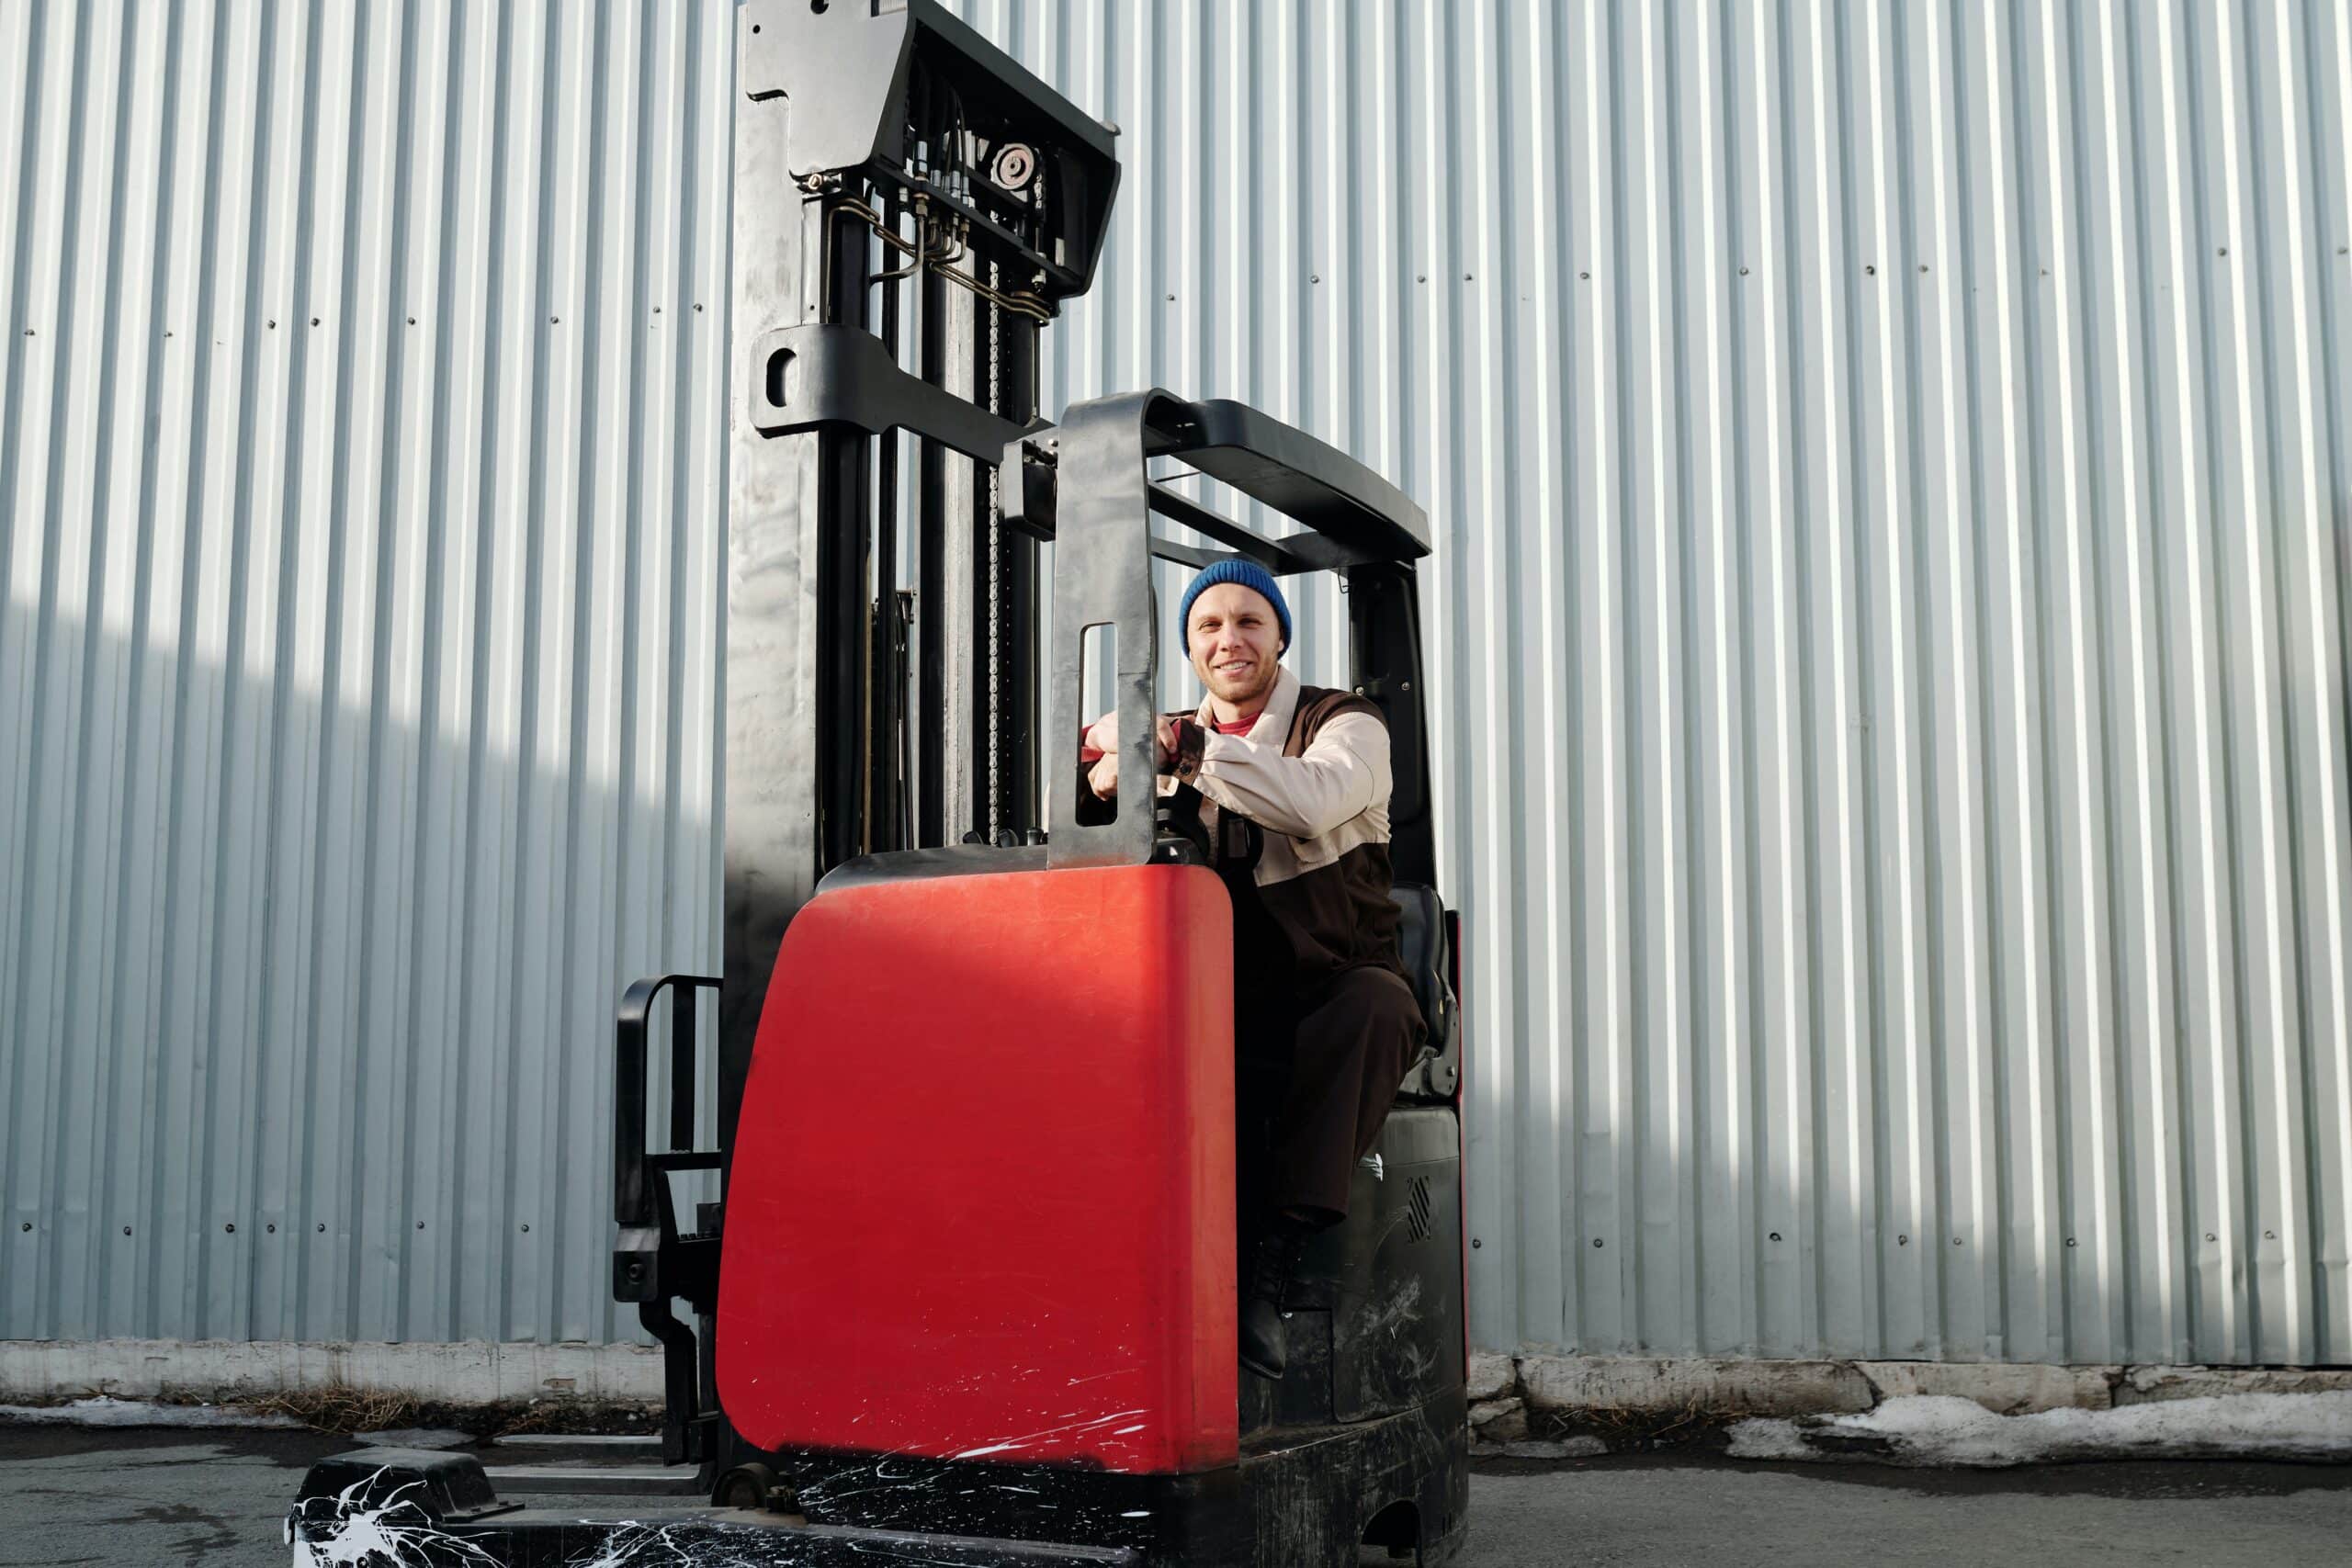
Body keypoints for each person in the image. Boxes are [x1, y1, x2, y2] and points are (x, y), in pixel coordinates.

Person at [1080, 559, 1425, 1381]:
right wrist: (1096, 767)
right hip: (1219, 992)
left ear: (1279, 635)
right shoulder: (1164, 729)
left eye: (1248, 622)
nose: (1229, 639)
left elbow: (1309, 800)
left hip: (1333, 981)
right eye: (1209, 626)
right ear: (1191, 647)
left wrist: (1182, 752)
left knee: (1376, 1006)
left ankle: (1275, 1259)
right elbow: (1093, 804)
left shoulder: (1345, 724)